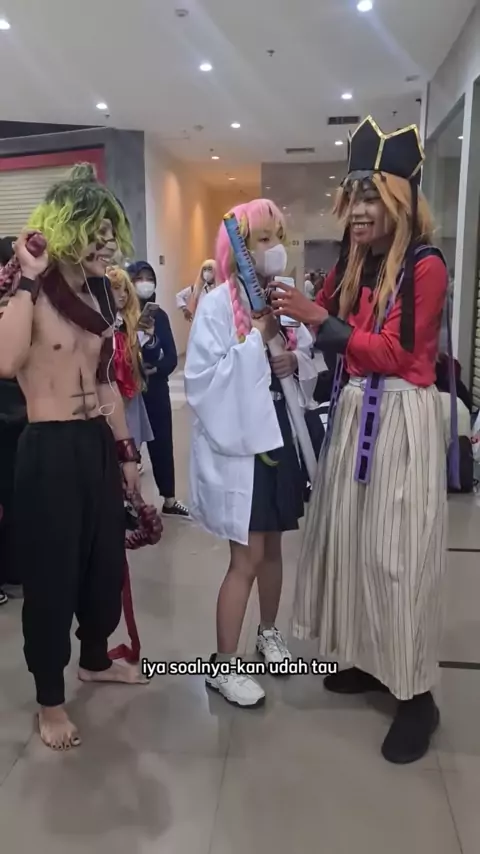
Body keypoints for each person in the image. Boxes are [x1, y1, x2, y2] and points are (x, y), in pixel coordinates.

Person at [271, 116, 452, 763]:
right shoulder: (356, 262)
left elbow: (395, 352)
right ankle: (374, 663)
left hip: (400, 420)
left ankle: (418, 696)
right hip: (355, 416)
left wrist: (318, 318)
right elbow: (327, 334)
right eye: (352, 197)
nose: (358, 211)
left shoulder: (426, 266)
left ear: (400, 200)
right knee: (353, 547)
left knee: (397, 558)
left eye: (372, 197)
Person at [0, 164, 146, 751]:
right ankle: (49, 700)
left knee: (103, 567)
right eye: (96, 232)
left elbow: (107, 381)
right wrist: (29, 281)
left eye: (111, 233)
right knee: (52, 577)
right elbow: (5, 362)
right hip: (49, 448)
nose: (107, 244)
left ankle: (94, 659)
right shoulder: (29, 292)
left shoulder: (101, 293)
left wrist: (126, 452)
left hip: (95, 445)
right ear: (66, 230)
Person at [185, 199, 318, 707]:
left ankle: (268, 633)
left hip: (281, 436)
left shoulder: (284, 296)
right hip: (243, 448)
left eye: (278, 236)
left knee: (274, 547)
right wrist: (256, 345)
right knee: (246, 557)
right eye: (263, 238)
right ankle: (223, 666)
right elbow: (203, 381)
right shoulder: (219, 305)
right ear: (239, 246)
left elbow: (309, 354)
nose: (275, 248)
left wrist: (294, 362)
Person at [127, 261, 189, 517]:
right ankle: (129, 502)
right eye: (139, 278)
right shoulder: (121, 315)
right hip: (129, 391)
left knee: (162, 443)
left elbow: (172, 357)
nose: (145, 283)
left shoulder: (159, 316)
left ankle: (169, 499)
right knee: (129, 446)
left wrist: (156, 365)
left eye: (149, 277)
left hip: (156, 389)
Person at [0, 236, 27, 604]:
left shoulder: (25, 306)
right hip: (6, 417)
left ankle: (15, 569)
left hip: (22, 417)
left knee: (17, 499)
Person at [107, 266, 154, 452]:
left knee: (132, 443)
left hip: (131, 392)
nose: (123, 294)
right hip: (108, 394)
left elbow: (134, 355)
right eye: (116, 288)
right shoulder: (99, 321)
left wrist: (147, 336)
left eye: (126, 289)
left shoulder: (128, 321)